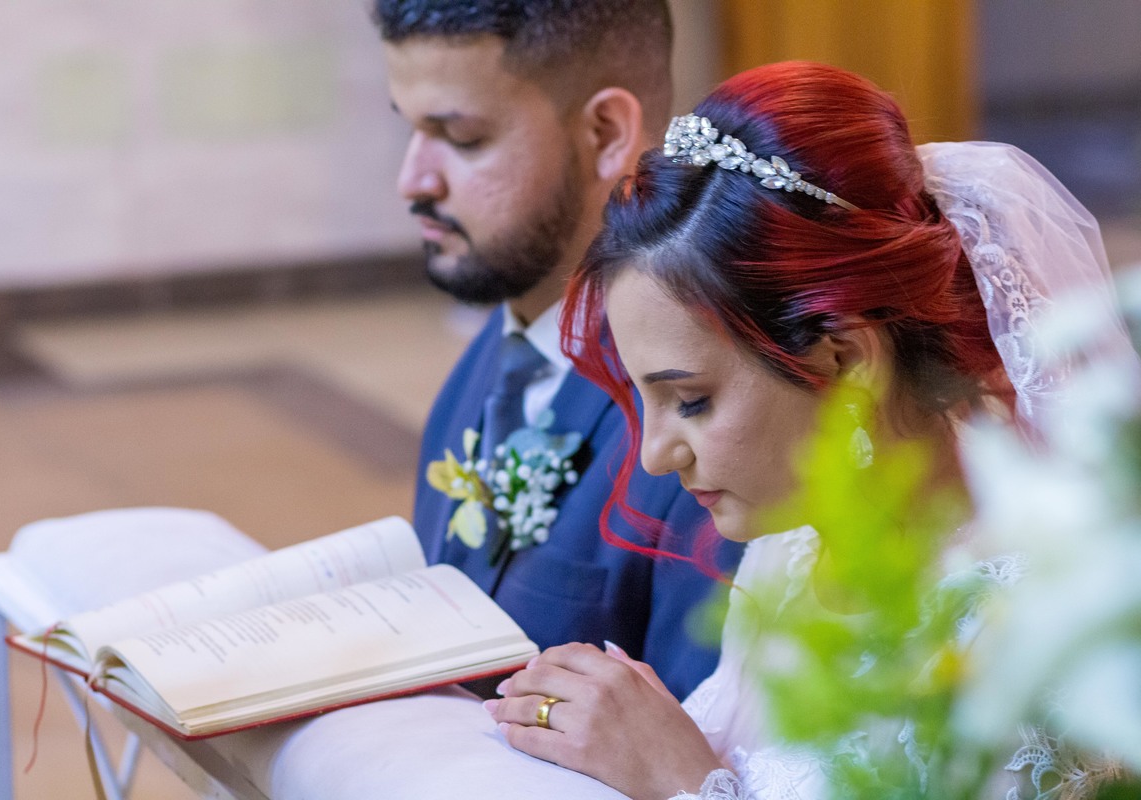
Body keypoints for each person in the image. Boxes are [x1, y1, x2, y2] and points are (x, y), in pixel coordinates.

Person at [483, 61, 1137, 799]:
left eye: (690, 400)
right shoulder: (790, 548)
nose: (655, 456)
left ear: (847, 362)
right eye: (645, 399)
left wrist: (687, 781)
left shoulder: (1025, 635)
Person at [374, 0, 742, 701]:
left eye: (462, 137)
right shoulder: (502, 341)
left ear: (606, 133)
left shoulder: (704, 417)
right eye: (412, 129)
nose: (414, 180)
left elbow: (701, 731)